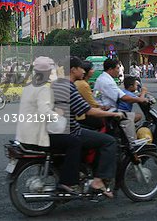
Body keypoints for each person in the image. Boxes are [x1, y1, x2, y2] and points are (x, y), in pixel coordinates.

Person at [53, 57, 124, 198]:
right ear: (73, 70)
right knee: (109, 141)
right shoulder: (69, 86)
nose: (84, 70)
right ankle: (98, 181)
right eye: (81, 68)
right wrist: (110, 114)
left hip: (56, 128)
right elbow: (88, 110)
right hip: (68, 130)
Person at [16, 56, 83, 193]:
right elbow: (43, 111)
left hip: (24, 133)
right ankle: (68, 182)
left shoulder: (29, 86)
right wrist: (56, 114)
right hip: (37, 135)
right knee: (74, 142)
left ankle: (58, 169)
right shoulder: (43, 88)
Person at [94, 58, 148, 144]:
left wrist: (138, 97)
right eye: (117, 68)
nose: (119, 71)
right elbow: (123, 97)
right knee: (127, 119)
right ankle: (132, 144)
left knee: (134, 116)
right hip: (108, 112)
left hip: (106, 109)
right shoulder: (107, 81)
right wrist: (140, 99)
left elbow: (118, 94)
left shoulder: (103, 78)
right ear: (110, 69)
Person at [75, 61, 106, 129]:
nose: (93, 71)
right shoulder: (84, 85)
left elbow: (93, 95)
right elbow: (92, 103)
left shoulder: (85, 83)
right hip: (83, 115)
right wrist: (102, 107)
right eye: (91, 69)